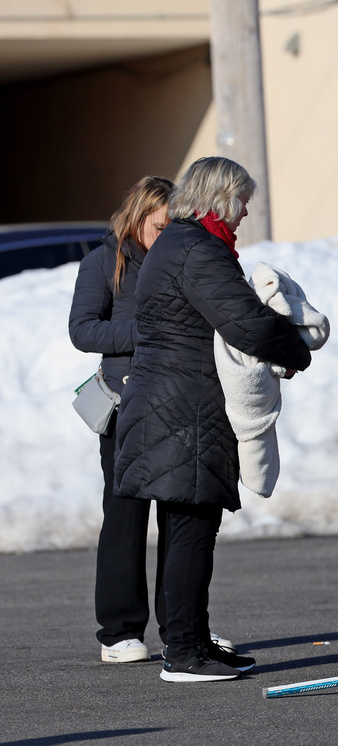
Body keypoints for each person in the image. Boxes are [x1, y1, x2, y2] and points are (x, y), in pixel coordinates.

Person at [114, 157, 312, 682]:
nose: (247, 210)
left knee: (187, 530)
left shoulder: (182, 245)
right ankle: (183, 652)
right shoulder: (197, 250)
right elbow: (244, 320)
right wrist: (298, 346)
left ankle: (192, 640)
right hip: (185, 411)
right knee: (191, 533)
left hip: (172, 407)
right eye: (242, 199)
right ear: (219, 196)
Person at [69, 176, 174, 663]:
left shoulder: (178, 257)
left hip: (177, 399)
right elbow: (83, 329)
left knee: (180, 515)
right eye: (158, 226)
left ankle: (183, 627)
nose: (165, 235)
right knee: (126, 516)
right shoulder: (103, 262)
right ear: (137, 218)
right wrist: (145, 332)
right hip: (125, 401)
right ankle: (119, 632)